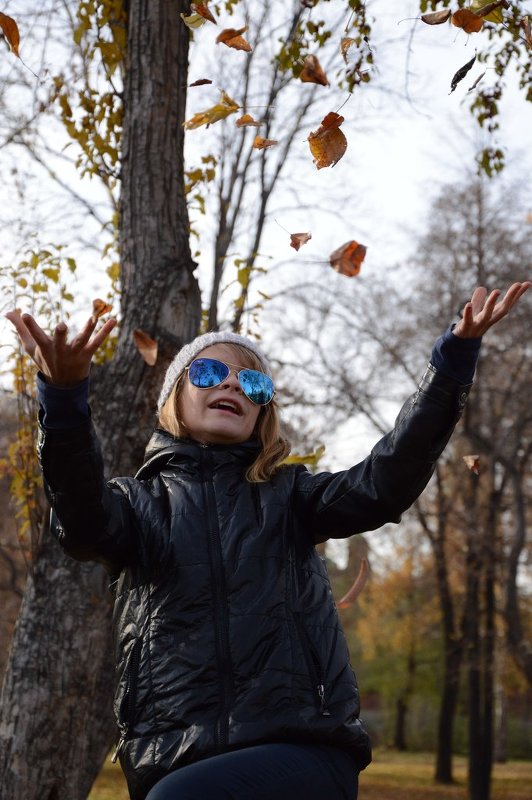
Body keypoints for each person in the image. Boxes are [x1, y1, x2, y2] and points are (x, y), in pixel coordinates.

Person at [5, 281, 530, 800]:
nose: (232, 386)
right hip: (174, 757)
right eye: (210, 372)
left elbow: (384, 482)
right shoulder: (138, 507)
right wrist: (65, 398)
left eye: (251, 384)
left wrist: (453, 361)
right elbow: (79, 519)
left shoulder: (292, 497)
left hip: (301, 747)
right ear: (174, 399)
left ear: (262, 412)